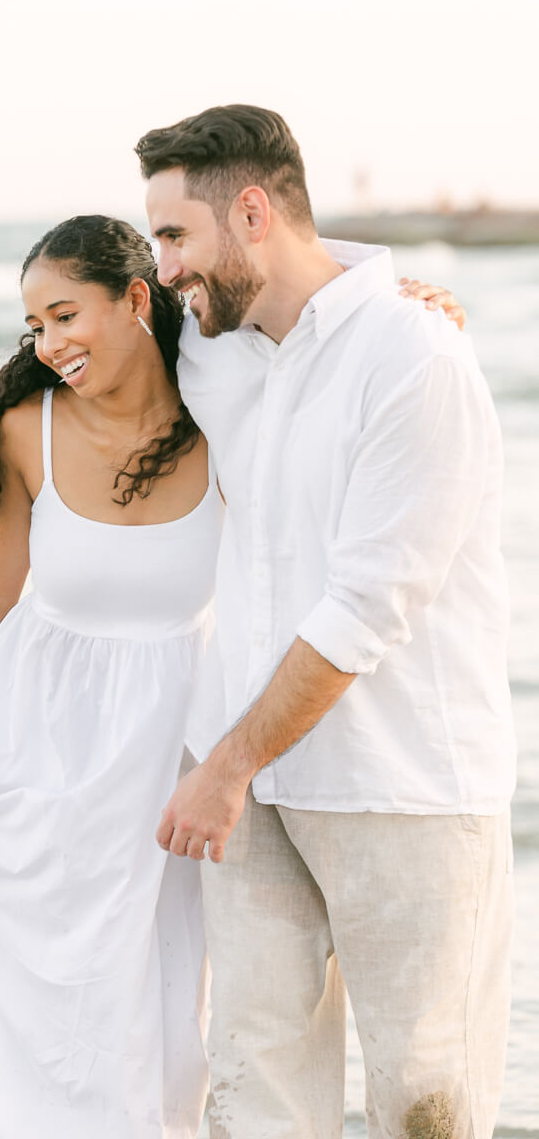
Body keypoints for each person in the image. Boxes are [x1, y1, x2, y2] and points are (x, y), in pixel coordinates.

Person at [0, 212, 462, 1138]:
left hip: (179, 735)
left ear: (136, 298)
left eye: (65, 314)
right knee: (43, 978)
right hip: (40, 731)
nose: (50, 342)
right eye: (35, 326)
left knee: (166, 999)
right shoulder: (30, 428)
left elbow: (300, 321)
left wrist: (394, 308)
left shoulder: (226, 406)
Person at [137, 105, 515, 1139]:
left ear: (250, 212)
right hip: (254, 795)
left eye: (173, 235)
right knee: (253, 1095)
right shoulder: (210, 346)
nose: (161, 266)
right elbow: (70, 324)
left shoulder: (413, 358)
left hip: (402, 785)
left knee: (423, 1103)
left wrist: (219, 768)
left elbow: (364, 607)